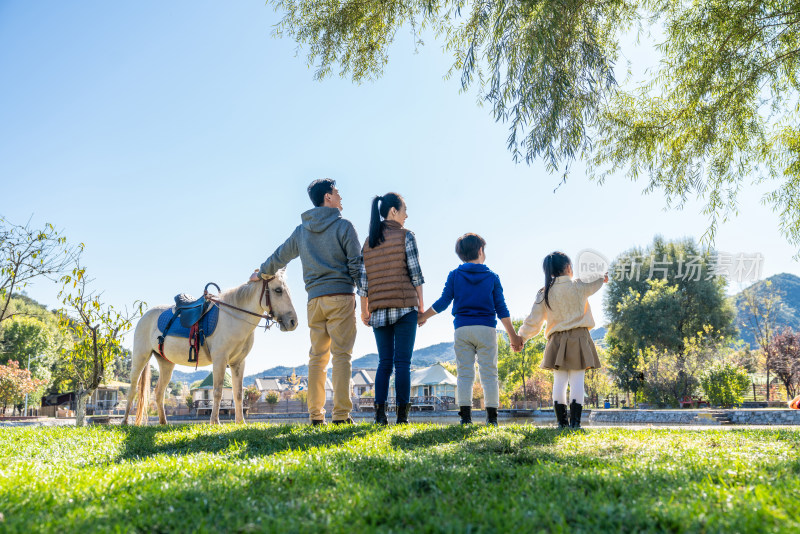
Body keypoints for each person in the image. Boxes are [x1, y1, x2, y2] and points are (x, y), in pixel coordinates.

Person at [252, 178, 362, 425]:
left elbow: (279, 256)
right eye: (337, 192)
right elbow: (357, 265)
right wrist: (364, 296)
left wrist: (260, 273)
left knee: (317, 358)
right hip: (341, 297)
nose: (340, 196)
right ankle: (342, 416)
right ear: (328, 198)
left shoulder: (302, 231)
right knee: (342, 356)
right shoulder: (344, 226)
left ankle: (315, 416)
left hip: (314, 302)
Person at [418, 233, 522, 426]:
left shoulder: (455, 275)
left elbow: (443, 302)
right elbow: (501, 309)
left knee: (465, 373)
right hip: (486, 330)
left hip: (463, 329)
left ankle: (465, 418)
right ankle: (492, 419)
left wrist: (423, 316)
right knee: (489, 373)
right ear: (481, 251)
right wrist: (513, 336)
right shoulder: (492, 277)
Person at [518, 251, 608, 430]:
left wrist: (520, 338)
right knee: (577, 381)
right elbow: (597, 279)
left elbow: (533, 321)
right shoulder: (578, 286)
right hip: (579, 337)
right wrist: (602, 278)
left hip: (556, 340)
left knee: (559, 382)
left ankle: (561, 423)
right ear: (568, 268)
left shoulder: (544, 293)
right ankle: (575, 423)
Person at [358, 193, 425, 425]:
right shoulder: (407, 236)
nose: (407, 215)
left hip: (378, 310)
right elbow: (415, 274)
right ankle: (402, 417)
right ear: (393, 211)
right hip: (405, 306)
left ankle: (379, 415)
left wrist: (364, 311)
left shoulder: (369, 242)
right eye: (404, 209)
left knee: (384, 363)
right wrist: (421, 305)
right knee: (403, 363)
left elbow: (363, 283)